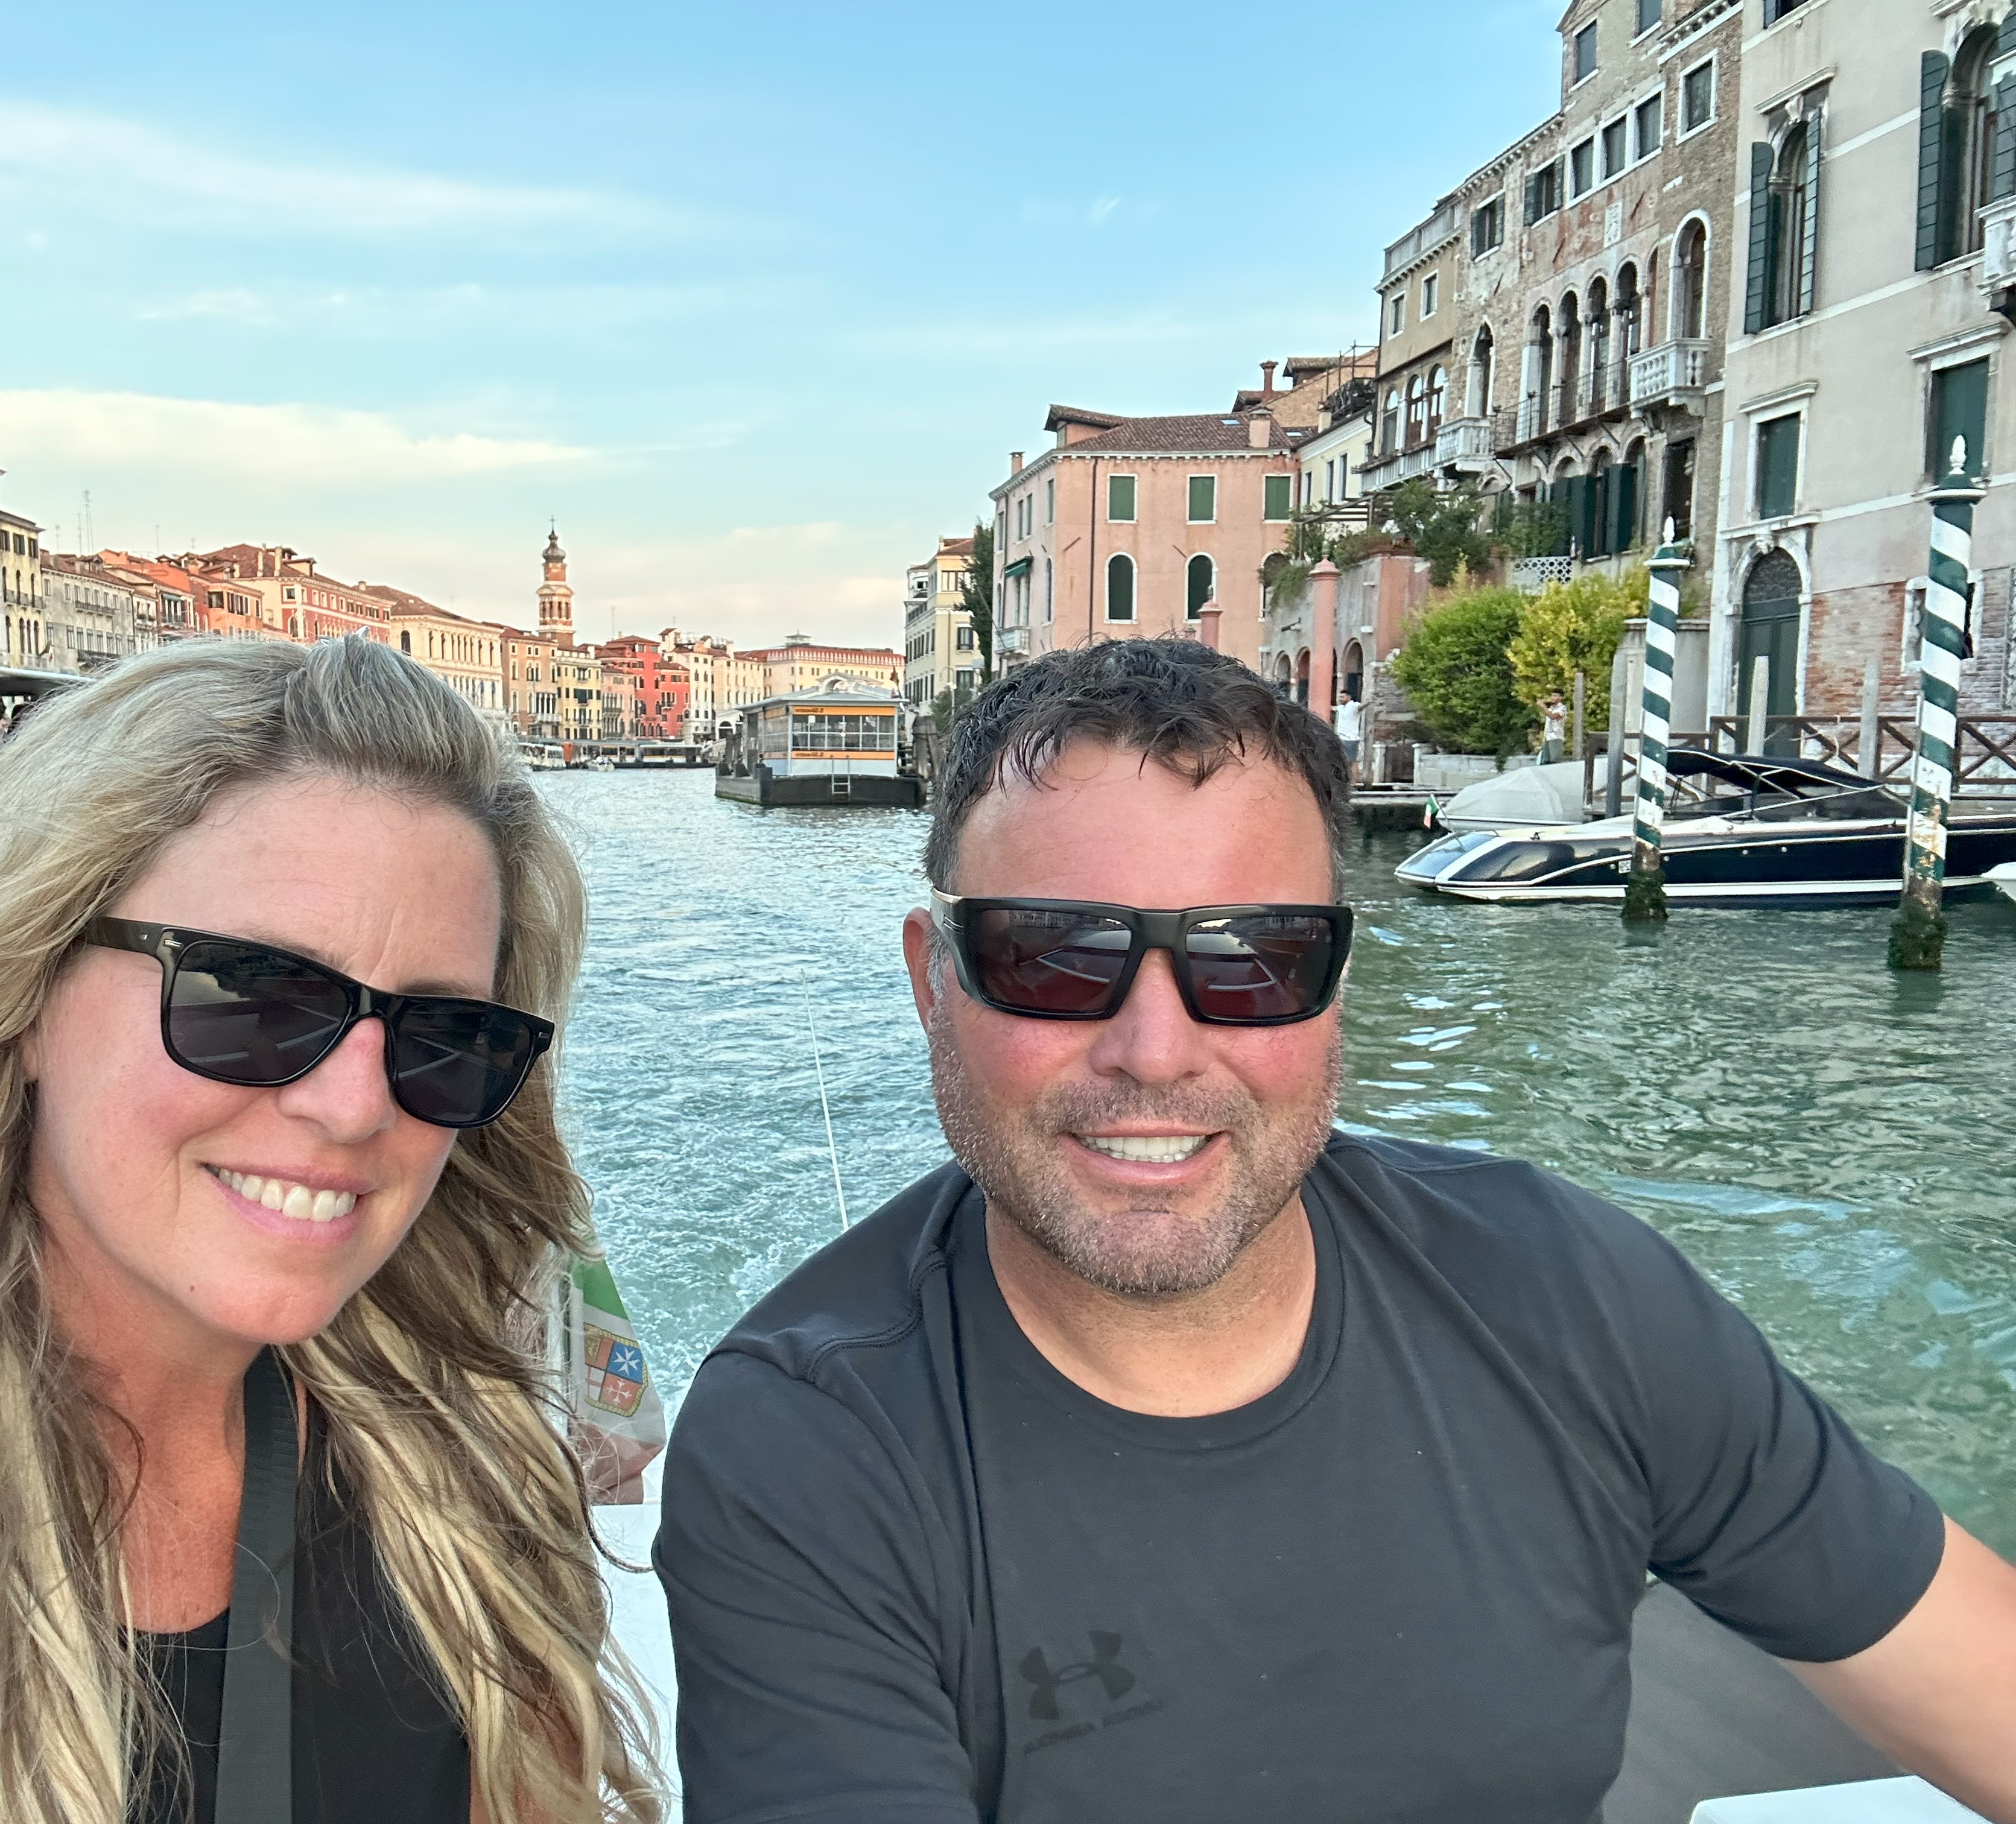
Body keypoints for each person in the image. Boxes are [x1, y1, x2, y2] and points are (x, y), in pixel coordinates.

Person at [655, 636, 2016, 1824]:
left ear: (1333, 987)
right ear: (931, 982)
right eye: (1051, 954)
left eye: (1253, 959)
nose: (1153, 1050)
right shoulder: (807, 1450)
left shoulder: (1570, 1294)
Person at [0, 638, 661, 1824]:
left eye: (445, 1034)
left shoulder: (473, 1466)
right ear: (27, 989)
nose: (355, 1108)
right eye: (251, 994)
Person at [1331, 688, 1363, 782]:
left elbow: (1361, 707)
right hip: (1340, 738)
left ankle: (1355, 781)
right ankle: (1348, 781)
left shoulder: (1354, 706)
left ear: (1349, 697)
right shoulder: (1341, 708)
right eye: (1340, 697)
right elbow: (1331, 708)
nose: (1340, 699)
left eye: (1342, 697)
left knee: (1352, 761)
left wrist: (1369, 703)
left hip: (1351, 739)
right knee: (1343, 760)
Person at [1543, 689, 1568, 764]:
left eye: (1555, 696)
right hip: (1548, 736)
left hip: (1556, 736)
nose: (1552, 698)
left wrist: (1543, 707)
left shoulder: (1562, 708)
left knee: (1555, 760)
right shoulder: (1551, 708)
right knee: (1546, 760)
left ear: (1560, 698)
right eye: (1552, 696)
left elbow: (1553, 716)